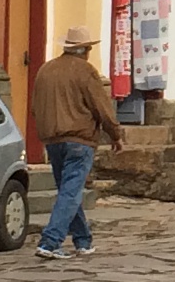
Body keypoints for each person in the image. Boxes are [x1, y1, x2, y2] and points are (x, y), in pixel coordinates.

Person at [26, 25, 124, 261]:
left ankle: (83, 240)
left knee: (68, 190)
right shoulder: (86, 72)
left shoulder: (45, 70)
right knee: (70, 192)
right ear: (86, 50)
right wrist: (115, 134)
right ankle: (50, 242)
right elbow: (102, 107)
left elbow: (35, 107)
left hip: (52, 139)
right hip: (79, 139)